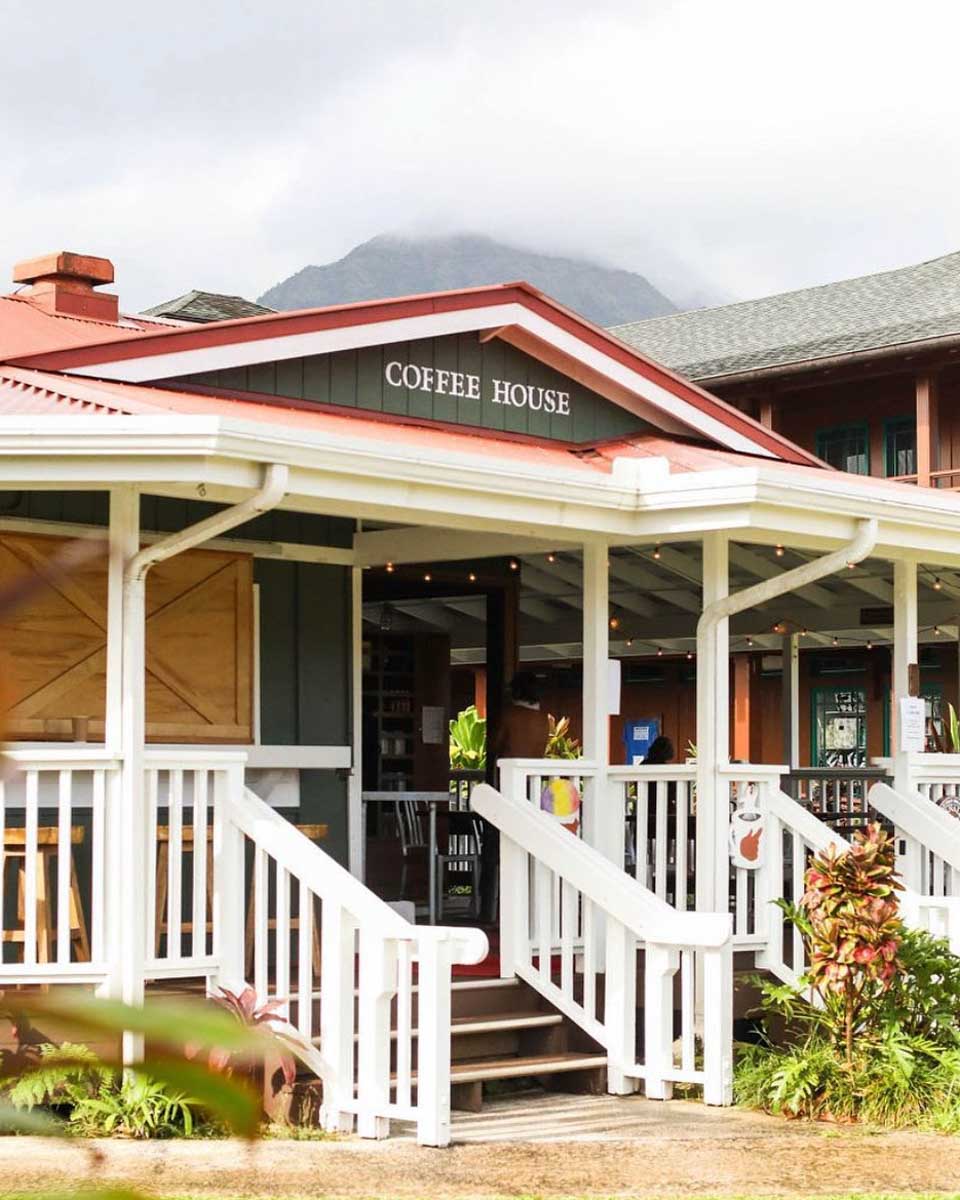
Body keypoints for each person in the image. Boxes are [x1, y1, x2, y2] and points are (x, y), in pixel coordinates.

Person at [480, 672, 549, 922]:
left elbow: (495, 745)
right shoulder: (543, 719)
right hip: (535, 783)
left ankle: (496, 908)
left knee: (502, 843)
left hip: (509, 786)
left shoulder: (510, 715)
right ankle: (530, 907)